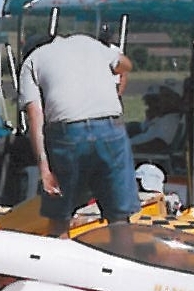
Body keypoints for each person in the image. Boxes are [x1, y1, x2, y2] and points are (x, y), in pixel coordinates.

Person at [18, 31, 139, 237]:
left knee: (59, 218)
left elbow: (35, 117)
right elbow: (126, 64)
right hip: (111, 128)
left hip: (67, 133)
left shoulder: (32, 61)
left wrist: (45, 170)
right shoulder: (88, 43)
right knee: (119, 219)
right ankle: (123, 264)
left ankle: (58, 264)